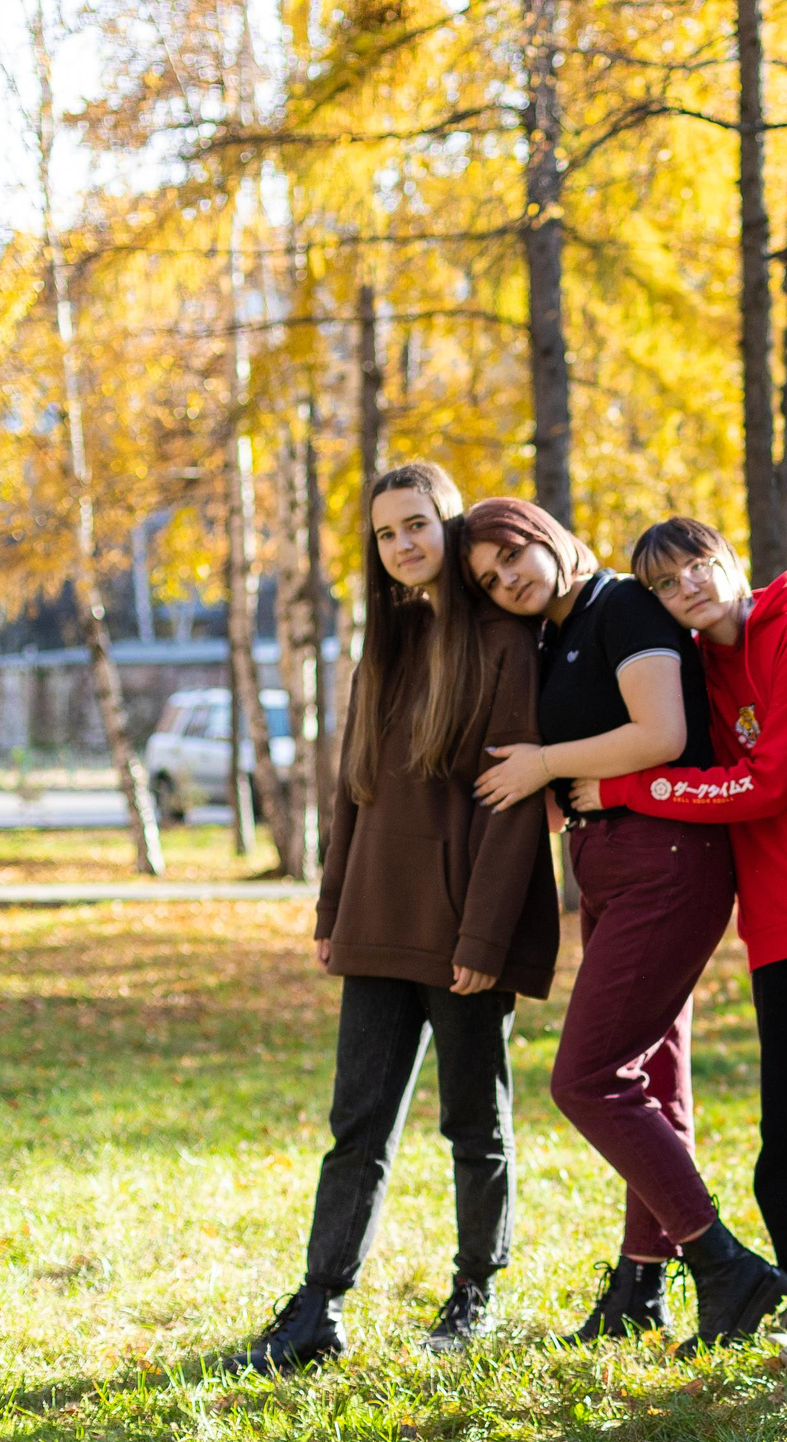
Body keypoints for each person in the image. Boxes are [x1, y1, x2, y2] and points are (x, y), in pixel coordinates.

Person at [228, 463, 560, 1373]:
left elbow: (512, 805)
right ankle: (320, 1303)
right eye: (386, 533)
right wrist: (333, 906)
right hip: (376, 916)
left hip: (460, 932)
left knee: (472, 1121)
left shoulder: (503, 642)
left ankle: (476, 1289)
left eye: (418, 524)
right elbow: (352, 791)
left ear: (451, 528)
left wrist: (485, 938)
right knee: (358, 1122)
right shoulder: (386, 643)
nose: (404, 544)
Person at [572, 517, 787, 1366]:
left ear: (730, 559)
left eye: (699, 564)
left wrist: (627, 783)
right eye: (666, 582)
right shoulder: (698, 668)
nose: (688, 585)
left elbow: (767, 781)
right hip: (771, 920)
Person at [466, 497, 787, 1352]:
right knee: (656, 1077)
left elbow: (662, 732)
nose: (510, 580)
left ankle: (724, 1265)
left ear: (548, 537)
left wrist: (545, 762)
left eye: (514, 557)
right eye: (492, 579)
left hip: (666, 859)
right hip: (609, 862)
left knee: (588, 1077)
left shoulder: (626, 604)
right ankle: (641, 1287)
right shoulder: (558, 630)